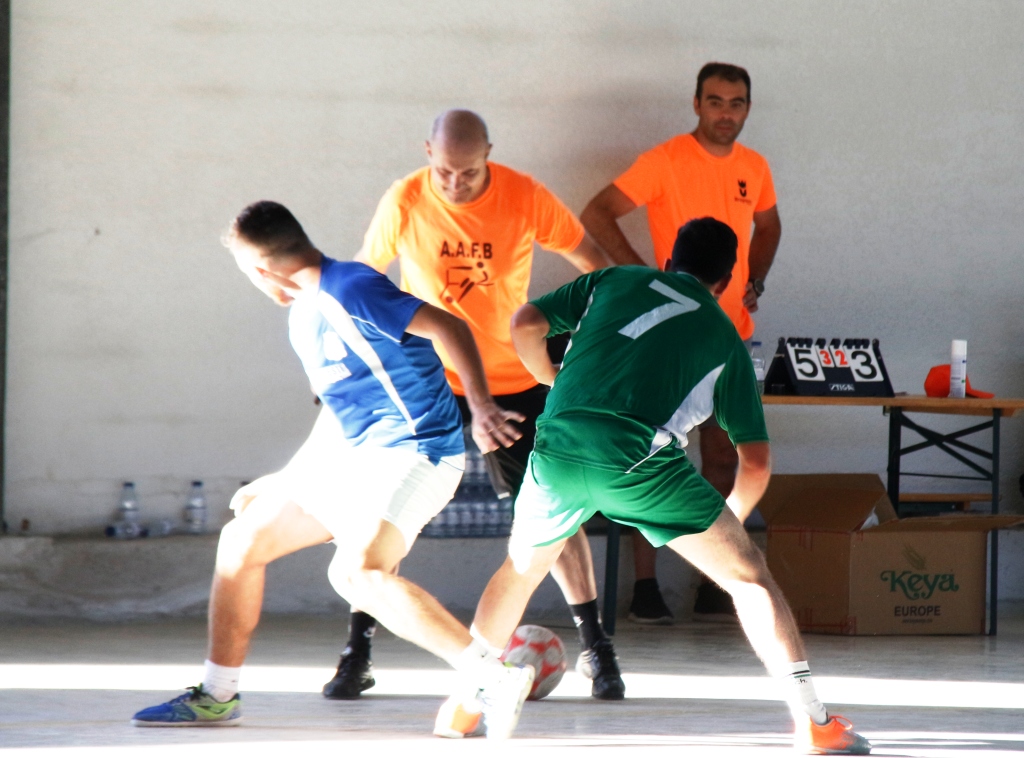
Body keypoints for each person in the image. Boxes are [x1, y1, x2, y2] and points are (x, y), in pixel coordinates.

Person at [438, 218, 870, 754]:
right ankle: (814, 724)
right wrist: (729, 518)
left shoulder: (612, 280)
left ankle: (464, 703)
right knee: (751, 580)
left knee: (521, 571)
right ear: (727, 280)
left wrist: (549, 377)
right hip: (639, 465)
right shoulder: (725, 338)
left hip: (558, 449)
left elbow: (525, 321)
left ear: (668, 260)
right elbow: (755, 462)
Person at [130, 201, 535, 740]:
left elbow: (449, 327)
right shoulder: (303, 316)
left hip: (418, 452)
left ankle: (492, 679)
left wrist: (480, 406)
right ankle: (217, 696)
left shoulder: (351, 287)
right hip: (359, 458)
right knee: (242, 540)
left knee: (355, 574)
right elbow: (339, 416)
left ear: (260, 269)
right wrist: (288, 477)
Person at [325, 109, 625, 701]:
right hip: (424, 379)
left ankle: (597, 648)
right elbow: (361, 277)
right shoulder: (406, 199)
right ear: (426, 153)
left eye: (468, 172)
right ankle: (356, 651)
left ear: (489, 153)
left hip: (511, 378)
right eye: (444, 172)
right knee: (384, 519)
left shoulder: (525, 195)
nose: (455, 184)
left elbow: (595, 262)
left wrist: (597, 336)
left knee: (552, 510)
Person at [581, 62, 783, 621]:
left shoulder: (754, 166)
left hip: (727, 334)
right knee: (646, 453)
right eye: (715, 101)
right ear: (696, 104)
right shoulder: (665, 160)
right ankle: (646, 587)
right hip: (665, 336)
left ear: (747, 108)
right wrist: (647, 279)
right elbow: (597, 212)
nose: (726, 113)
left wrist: (756, 279)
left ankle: (715, 580)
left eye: (737, 103)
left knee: (724, 455)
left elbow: (768, 226)